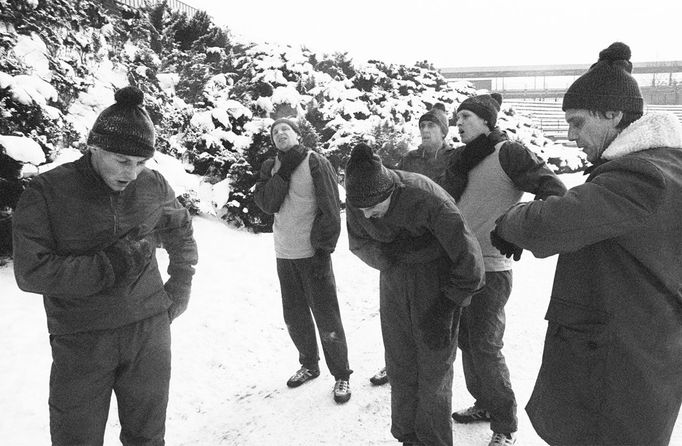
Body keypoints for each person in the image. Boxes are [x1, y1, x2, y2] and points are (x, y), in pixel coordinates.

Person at [492, 42, 682, 446]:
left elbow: (551, 222)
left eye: (577, 123)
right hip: (635, 359)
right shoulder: (666, 163)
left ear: (613, 114)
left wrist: (508, 222)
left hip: (618, 373)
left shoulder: (640, 176)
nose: (570, 134)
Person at [12, 85, 198, 445]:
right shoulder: (48, 191)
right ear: (93, 147)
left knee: (147, 438)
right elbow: (31, 271)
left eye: (141, 162)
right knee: (76, 440)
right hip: (82, 337)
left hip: (149, 332)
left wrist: (181, 285)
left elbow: (181, 231)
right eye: (122, 160)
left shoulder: (152, 183)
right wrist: (110, 265)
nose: (132, 172)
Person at [441, 92, 566, 446]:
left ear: (486, 121)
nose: (459, 122)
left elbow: (554, 192)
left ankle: (504, 424)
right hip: (459, 266)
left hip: (491, 269)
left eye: (466, 116)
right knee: (466, 341)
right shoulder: (463, 159)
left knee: (484, 345)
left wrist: (518, 228)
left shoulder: (508, 152)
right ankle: (484, 403)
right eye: (457, 117)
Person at [345, 143, 485, 446]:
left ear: (390, 192)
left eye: (374, 208)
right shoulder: (358, 201)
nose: (367, 216)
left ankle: (434, 440)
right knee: (400, 364)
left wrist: (447, 305)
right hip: (394, 282)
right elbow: (358, 244)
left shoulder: (425, 194)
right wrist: (388, 256)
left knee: (433, 370)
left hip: (436, 284)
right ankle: (407, 436)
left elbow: (469, 257)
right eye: (361, 210)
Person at [253, 117, 353, 403]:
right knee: (294, 316)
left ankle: (342, 374)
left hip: (313, 254)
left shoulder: (315, 161)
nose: (280, 133)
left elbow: (330, 206)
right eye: (275, 131)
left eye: (285, 129)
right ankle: (309, 364)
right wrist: (282, 174)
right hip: (284, 253)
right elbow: (266, 204)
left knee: (326, 316)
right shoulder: (271, 166)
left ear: (298, 134)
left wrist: (323, 248)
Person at [370, 102, 456, 387]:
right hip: (410, 241)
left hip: (443, 241)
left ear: (443, 131)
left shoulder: (455, 158)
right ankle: (395, 362)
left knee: (435, 312)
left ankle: (432, 366)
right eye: (422, 126)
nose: (425, 130)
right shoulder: (409, 159)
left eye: (431, 125)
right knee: (400, 316)